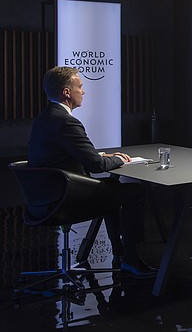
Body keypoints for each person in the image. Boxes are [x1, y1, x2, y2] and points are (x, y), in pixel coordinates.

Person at [27, 66, 157, 278]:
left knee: (112, 188)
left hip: (43, 196)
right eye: (80, 86)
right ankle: (130, 258)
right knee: (135, 192)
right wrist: (117, 159)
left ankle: (122, 254)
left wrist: (102, 157)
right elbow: (96, 166)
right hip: (64, 198)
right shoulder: (66, 122)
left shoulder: (45, 118)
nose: (84, 91)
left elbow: (71, 154)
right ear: (67, 92)